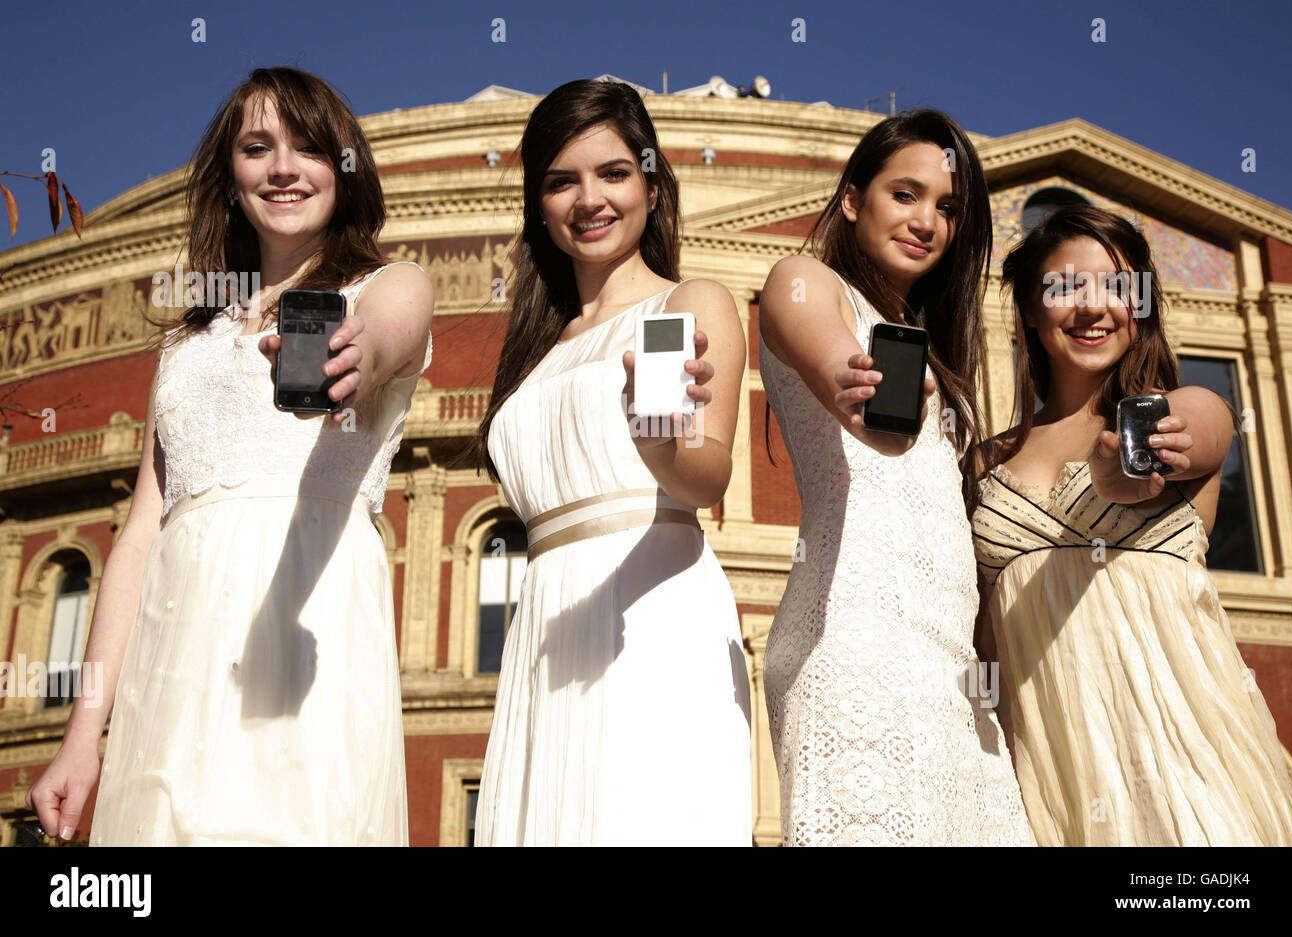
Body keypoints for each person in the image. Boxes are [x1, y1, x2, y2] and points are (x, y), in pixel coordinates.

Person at [26, 66, 433, 845]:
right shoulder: (184, 344)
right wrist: (84, 734)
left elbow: (390, 330)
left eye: (310, 147)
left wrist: (356, 356)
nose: (284, 167)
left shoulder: (391, 283)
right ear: (230, 175)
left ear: (344, 170)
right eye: (257, 148)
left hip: (304, 646)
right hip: (172, 669)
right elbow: (139, 538)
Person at [474, 78, 752, 845]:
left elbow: (707, 475)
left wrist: (657, 435)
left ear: (652, 185)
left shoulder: (690, 302)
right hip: (547, 623)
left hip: (654, 606)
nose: (588, 198)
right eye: (561, 181)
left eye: (614, 173)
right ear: (539, 204)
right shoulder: (535, 349)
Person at [973, 204, 1292, 845]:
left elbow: (1189, 438)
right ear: (1032, 312)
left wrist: (1122, 475)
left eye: (1119, 288)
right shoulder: (983, 461)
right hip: (1047, 771)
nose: (1094, 307)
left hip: (1186, 761)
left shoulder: (1194, 406)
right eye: (1067, 287)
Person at [758, 108, 1033, 845]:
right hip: (854, 644)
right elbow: (829, 352)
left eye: (947, 208)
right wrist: (852, 382)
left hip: (952, 665)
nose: (928, 221)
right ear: (852, 200)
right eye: (904, 195)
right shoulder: (805, 281)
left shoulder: (931, 349)